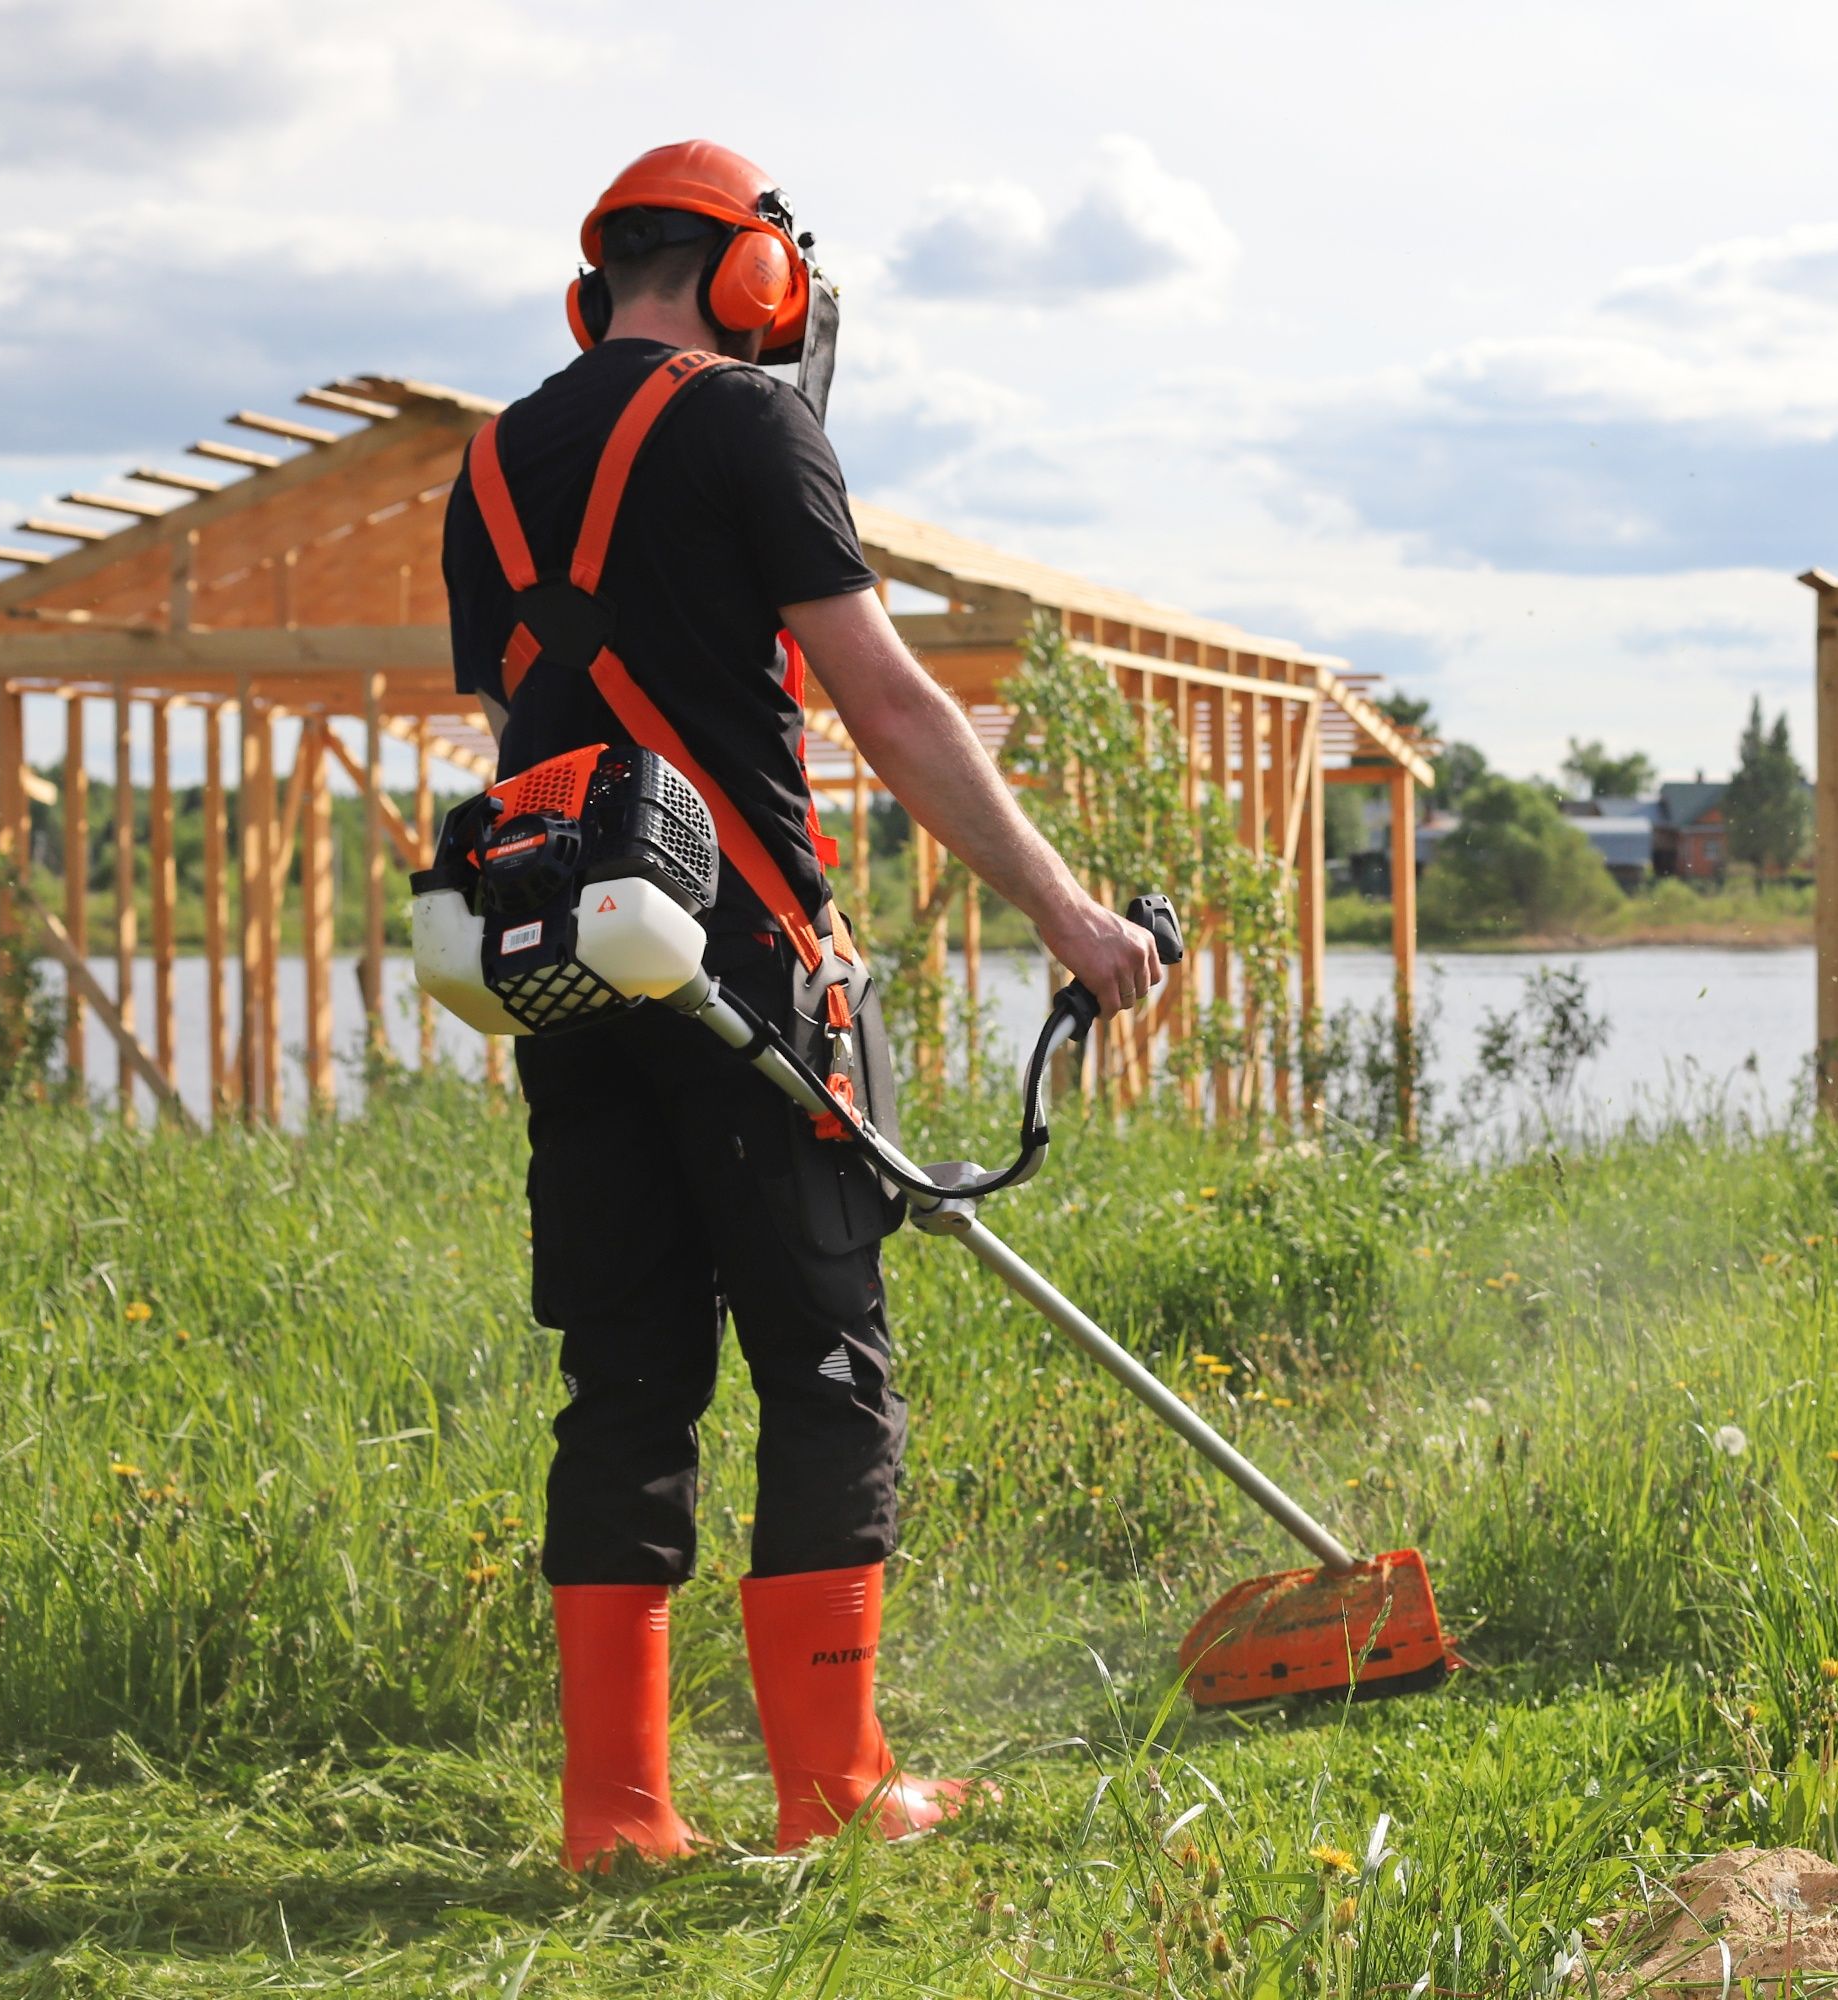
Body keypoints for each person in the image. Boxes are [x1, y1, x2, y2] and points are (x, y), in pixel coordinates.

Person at [441, 139, 1159, 1870]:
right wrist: (1071, 919)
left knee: (624, 1377)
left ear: (594, 278)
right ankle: (837, 1788)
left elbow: (520, 737)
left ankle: (616, 1816)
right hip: (748, 962)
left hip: (570, 963)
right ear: (760, 275)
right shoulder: (754, 423)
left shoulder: (483, 466)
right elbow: (893, 708)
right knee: (826, 1369)